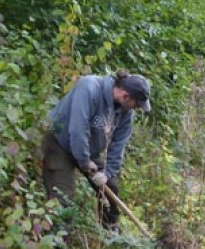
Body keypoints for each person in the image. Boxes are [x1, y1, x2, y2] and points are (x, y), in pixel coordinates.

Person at [42, 70, 151, 229]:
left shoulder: (125, 112)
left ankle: (110, 235)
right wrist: (85, 162)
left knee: (110, 188)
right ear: (126, 96)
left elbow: (118, 145)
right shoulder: (89, 87)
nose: (136, 109)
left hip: (89, 150)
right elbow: (78, 130)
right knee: (62, 198)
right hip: (60, 143)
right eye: (136, 104)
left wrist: (107, 173)